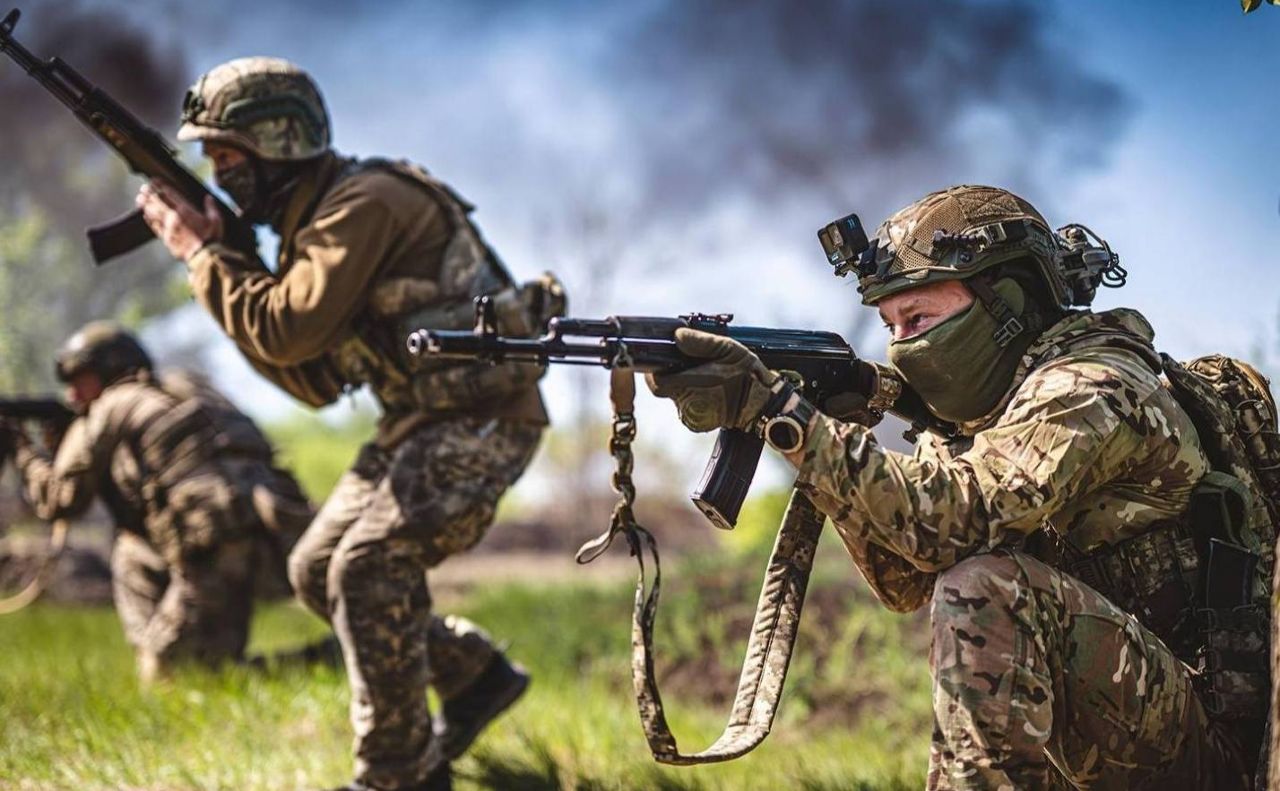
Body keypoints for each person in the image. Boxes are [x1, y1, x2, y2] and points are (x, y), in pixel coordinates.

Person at [646, 185, 1272, 789]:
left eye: (918, 317)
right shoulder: (983, 420)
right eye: (890, 325)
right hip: (1124, 729)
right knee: (975, 584)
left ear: (1008, 304)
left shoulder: (1095, 386)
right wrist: (830, 424)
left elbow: (956, 517)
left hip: (1214, 750)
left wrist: (786, 418)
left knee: (985, 590)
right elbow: (906, 579)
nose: (901, 347)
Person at [135, 57, 562, 791]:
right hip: (417, 423)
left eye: (228, 157)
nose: (220, 175)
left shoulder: (363, 204)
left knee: (367, 566)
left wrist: (205, 256)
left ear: (278, 143)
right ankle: (474, 675)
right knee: (314, 569)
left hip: (482, 418)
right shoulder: (314, 225)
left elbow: (287, 329)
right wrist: (226, 261)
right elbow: (312, 379)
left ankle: (399, 774)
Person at [7, 321, 313, 681]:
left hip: (212, 549)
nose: (72, 395)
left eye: (80, 380)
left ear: (108, 370)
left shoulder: (112, 404)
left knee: (171, 674)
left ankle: (321, 660)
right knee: (131, 553)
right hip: (272, 542)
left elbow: (59, 500)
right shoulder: (188, 387)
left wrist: (21, 450)